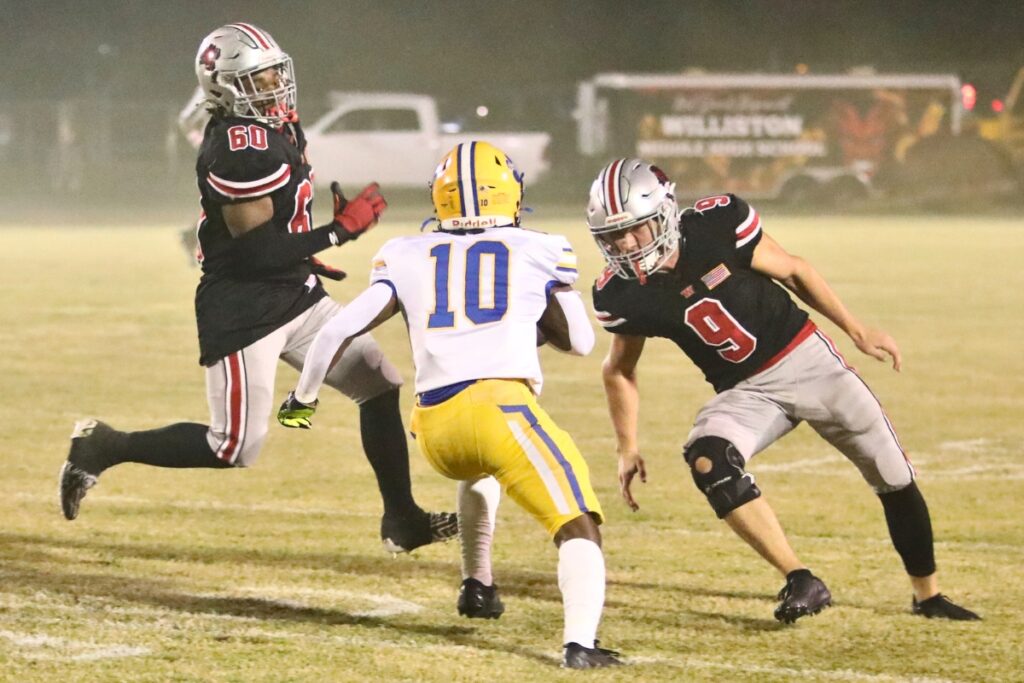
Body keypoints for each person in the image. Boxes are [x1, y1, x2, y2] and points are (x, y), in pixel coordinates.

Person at [58, 22, 457, 554]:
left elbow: (275, 233)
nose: (273, 84)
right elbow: (251, 250)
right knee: (234, 447)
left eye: (274, 72)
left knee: (378, 383)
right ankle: (103, 446)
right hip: (246, 308)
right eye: (257, 77)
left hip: (293, 293)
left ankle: (402, 520)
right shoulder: (239, 145)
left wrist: (307, 246)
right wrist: (338, 232)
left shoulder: (277, 128)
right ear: (223, 85)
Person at [588, 158, 980, 622]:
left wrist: (856, 330)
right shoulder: (620, 293)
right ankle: (800, 578)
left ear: (666, 212)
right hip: (745, 391)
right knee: (708, 457)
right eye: (613, 235)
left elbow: (794, 271)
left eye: (636, 228)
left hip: (808, 361)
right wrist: (627, 446)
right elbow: (619, 369)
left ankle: (928, 595)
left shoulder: (717, 224)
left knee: (892, 473)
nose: (626, 244)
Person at [278, 141, 623, 668]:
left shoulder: (406, 251)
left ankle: (477, 585)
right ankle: (580, 644)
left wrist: (302, 400)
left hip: (436, 429)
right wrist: (535, 315)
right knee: (578, 522)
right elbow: (579, 342)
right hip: (499, 409)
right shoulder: (540, 247)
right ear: (508, 191)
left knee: (482, 467)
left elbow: (338, 330)